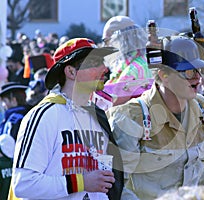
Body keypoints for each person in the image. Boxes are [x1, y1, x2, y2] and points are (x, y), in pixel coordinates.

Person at [107, 36, 204, 200]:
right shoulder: (131, 117)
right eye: (189, 71)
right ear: (164, 76)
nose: (197, 78)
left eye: (200, 70)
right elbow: (118, 185)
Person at [10, 38, 123, 200]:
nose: (105, 69)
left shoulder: (98, 116)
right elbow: (23, 184)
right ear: (71, 72)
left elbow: (103, 183)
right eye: (94, 63)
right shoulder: (45, 116)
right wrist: (81, 182)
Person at [0, 82, 31, 200]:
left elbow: (8, 149)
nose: (3, 105)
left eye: (4, 101)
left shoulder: (13, 120)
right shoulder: (31, 115)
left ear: (13, 100)